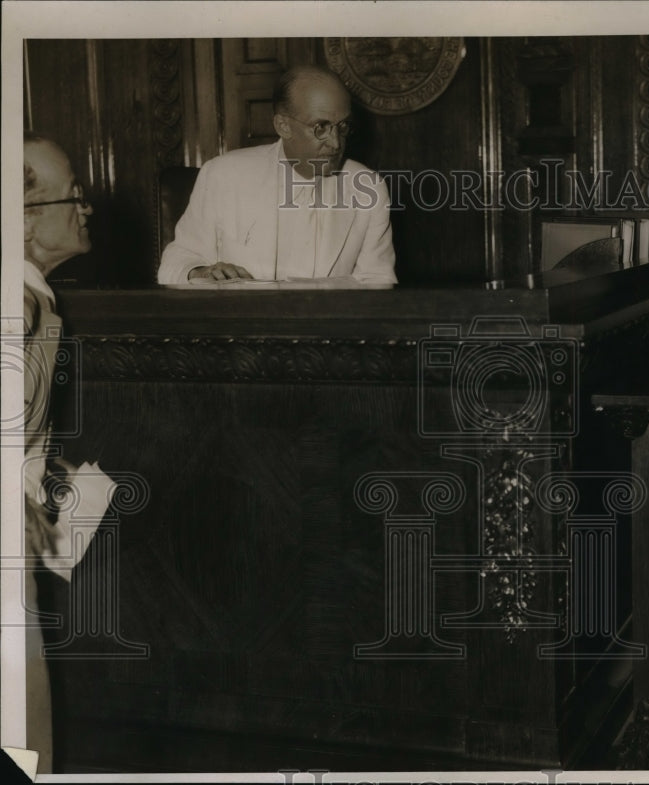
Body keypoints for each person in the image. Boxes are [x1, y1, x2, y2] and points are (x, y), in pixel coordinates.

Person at [21, 133, 114, 774]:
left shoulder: (31, 297)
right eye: (72, 195)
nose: (86, 207)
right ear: (25, 219)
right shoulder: (18, 303)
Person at [156, 65, 396, 286]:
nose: (335, 143)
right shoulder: (223, 174)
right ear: (283, 126)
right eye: (320, 127)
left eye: (342, 127)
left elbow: (377, 281)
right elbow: (177, 261)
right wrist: (201, 272)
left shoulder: (368, 187)